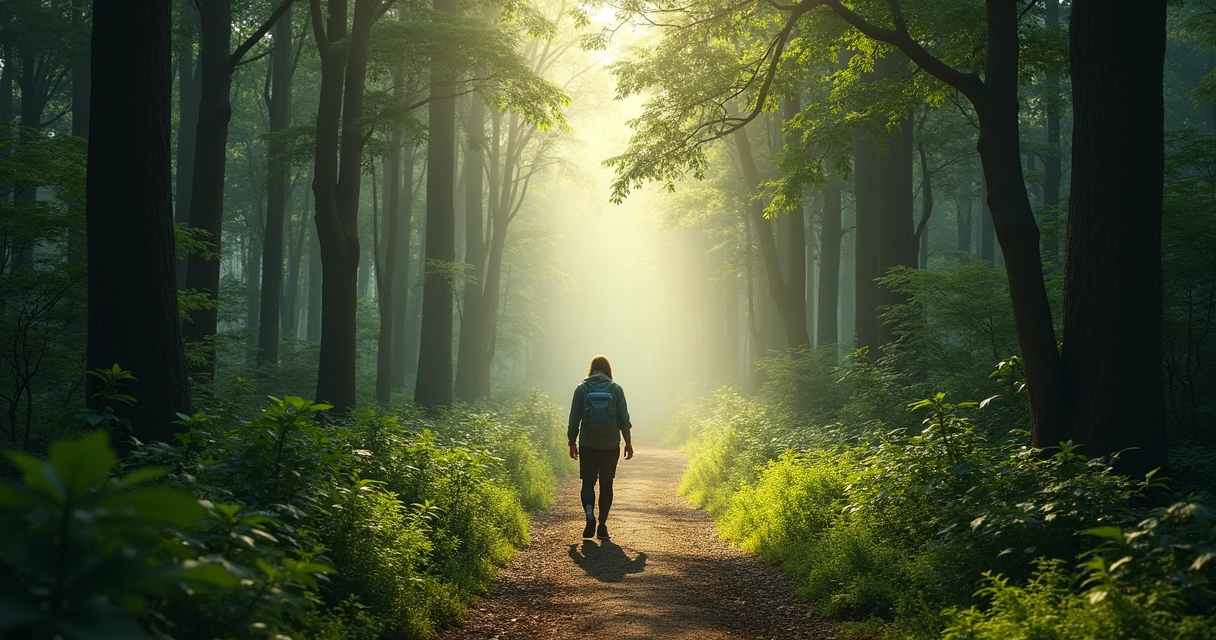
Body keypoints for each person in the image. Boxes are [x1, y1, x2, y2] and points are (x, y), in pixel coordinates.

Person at [568, 355, 634, 540]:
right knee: (607, 484)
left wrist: (572, 442)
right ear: (608, 370)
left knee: (588, 483)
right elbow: (624, 420)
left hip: (588, 444)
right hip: (610, 445)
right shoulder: (616, 389)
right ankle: (602, 526)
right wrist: (628, 444)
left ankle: (590, 516)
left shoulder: (581, 388)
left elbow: (574, 420)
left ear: (591, 369)